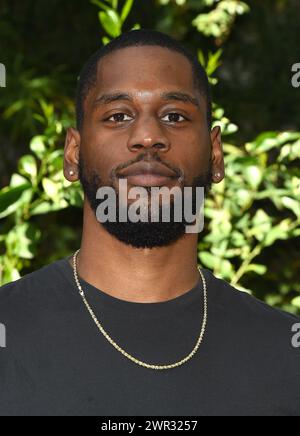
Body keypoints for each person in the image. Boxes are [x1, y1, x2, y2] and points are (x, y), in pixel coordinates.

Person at [0, 29, 299, 417]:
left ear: (216, 155)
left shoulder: (284, 354)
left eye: (174, 116)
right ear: (73, 153)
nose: (147, 136)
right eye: (118, 116)